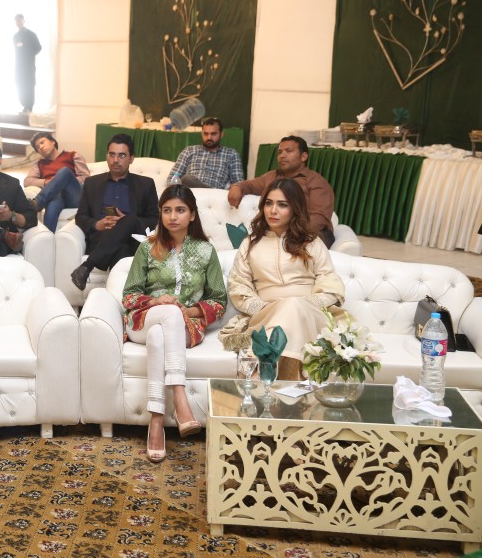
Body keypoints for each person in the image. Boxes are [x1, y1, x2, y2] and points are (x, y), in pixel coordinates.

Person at [122, 185, 226, 455]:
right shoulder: (148, 248)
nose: (173, 216)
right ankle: (180, 398)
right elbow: (129, 295)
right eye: (167, 210)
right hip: (144, 318)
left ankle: (156, 421)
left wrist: (186, 311)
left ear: (192, 215)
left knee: (160, 335)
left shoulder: (206, 251)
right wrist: (156, 302)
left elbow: (219, 301)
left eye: (180, 210)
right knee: (166, 314)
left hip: (186, 326)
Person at [222, 178, 345, 378]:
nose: (273, 211)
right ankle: (294, 387)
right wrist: (264, 307)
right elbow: (238, 285)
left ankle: (261, 374)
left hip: (309, 313)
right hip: (267, 313)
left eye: (282, 205)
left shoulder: (312, 242)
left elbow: (329, 281)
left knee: (294, 305)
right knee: (290, 308)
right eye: (269, 203)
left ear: (295, 208)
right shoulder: (250, 243)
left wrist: (305, 304)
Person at [70, 134, 158, 291]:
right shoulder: (92, 183)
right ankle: (120, 298)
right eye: (112, 155)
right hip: (101, 238)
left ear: (131, 158)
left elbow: (154, 219)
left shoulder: (145, 184)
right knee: (121, 248)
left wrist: (129, 222)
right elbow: (81, 216)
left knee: (129, 220)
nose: (115, 160)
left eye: (122, 155)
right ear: (107, 157)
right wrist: (97, 224)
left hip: (133, 238)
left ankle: (87, 266)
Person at [228, 135, 336, 248]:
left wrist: (288, 233)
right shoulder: (272, 176)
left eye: (288, 151)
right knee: (249, 246)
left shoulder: (316, 182)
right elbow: (249, 185)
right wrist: (237, 187)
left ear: (303, 156)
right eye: (279, 152)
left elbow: (319, 219)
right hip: (277, 232)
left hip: (310, 233)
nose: (282, 155)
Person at [24, 131, 89, 232]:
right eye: (37, 147)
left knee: (65, 171)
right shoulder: (39, 164)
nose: (41, 147)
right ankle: (48, 236)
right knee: (52, 203)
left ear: (53, 141)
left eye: (42, 142)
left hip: (74, 196)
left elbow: (86, 177)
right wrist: (46, 182)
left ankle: (37, 203)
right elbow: (27, 181)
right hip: (55, 196)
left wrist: (62, 181)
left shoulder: (73, 156)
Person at [166, 117, 244, 189]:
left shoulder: (231, 154)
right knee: (187, 179)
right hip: (189, 192)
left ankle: (206, 189)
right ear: (201, 134)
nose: (209, 137)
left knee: (187, 179)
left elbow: (239, 183)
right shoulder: (189, 151)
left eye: (213, 134)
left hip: (213, 193)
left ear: (221, 134)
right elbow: (172, 178)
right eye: (206, 134)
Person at [13, 14, 42, 113]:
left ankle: (30, 106)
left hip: (29, 64)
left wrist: (29, 54)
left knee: (29, 84)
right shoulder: (15, 36)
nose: (18, 22)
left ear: (24, 21)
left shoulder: (31, 34)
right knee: (19, 83)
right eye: (16, 21)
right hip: (19, 64)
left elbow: (39, 48)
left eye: (20, 20)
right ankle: (24, 105)